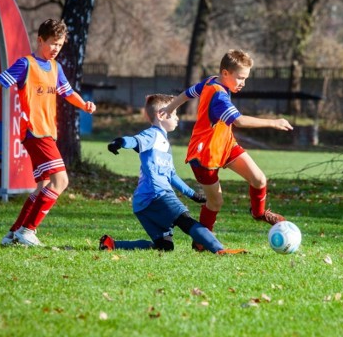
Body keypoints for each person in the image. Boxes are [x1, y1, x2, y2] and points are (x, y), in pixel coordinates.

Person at [161, 49, 293, 249]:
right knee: (215, 203)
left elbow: (189, 93)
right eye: (240, 78)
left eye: (245, 78)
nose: (243, 83)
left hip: (225, 146)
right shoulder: (219, 97)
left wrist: (171, 107)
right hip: (205, 156)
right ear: (225, 73)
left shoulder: (210, 81)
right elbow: (239, 121)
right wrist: (273, 122)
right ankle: (201, 242)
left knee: (259, 179)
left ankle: (258, 213)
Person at [0, 19, 96, 246]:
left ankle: (13, 234)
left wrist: (84, 105)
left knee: (43, 185)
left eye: (60, 45)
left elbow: (68, 92)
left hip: (46, 132)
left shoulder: (56, 68)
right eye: (52, 43)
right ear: (40, 40)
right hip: (35, 132)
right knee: (61, 181)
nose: (56, 49)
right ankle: (27, 231)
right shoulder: (26, 64)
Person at [99, 94, 246, 255]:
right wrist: (119, 142)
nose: (177, 118)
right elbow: (134, 140)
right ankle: (220, 249)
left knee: (164, 246)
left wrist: (193, 195)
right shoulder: (153, 135)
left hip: (143, 204)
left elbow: (171, 175)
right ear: (161, 115)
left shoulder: (163, 142)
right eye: (174, 113)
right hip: (157, 194)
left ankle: (112, 244)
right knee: (186, 221)